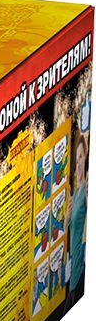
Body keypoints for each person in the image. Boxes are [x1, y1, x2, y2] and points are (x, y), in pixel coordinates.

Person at [64, 129, 88, 310]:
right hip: (71, 275)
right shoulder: (76, 192)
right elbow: (67, 229)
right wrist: (66, 216)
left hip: (80, 273)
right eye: (77, 158)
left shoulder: (86, 189)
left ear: (86, 158)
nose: (78, 162)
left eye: (81, 157)